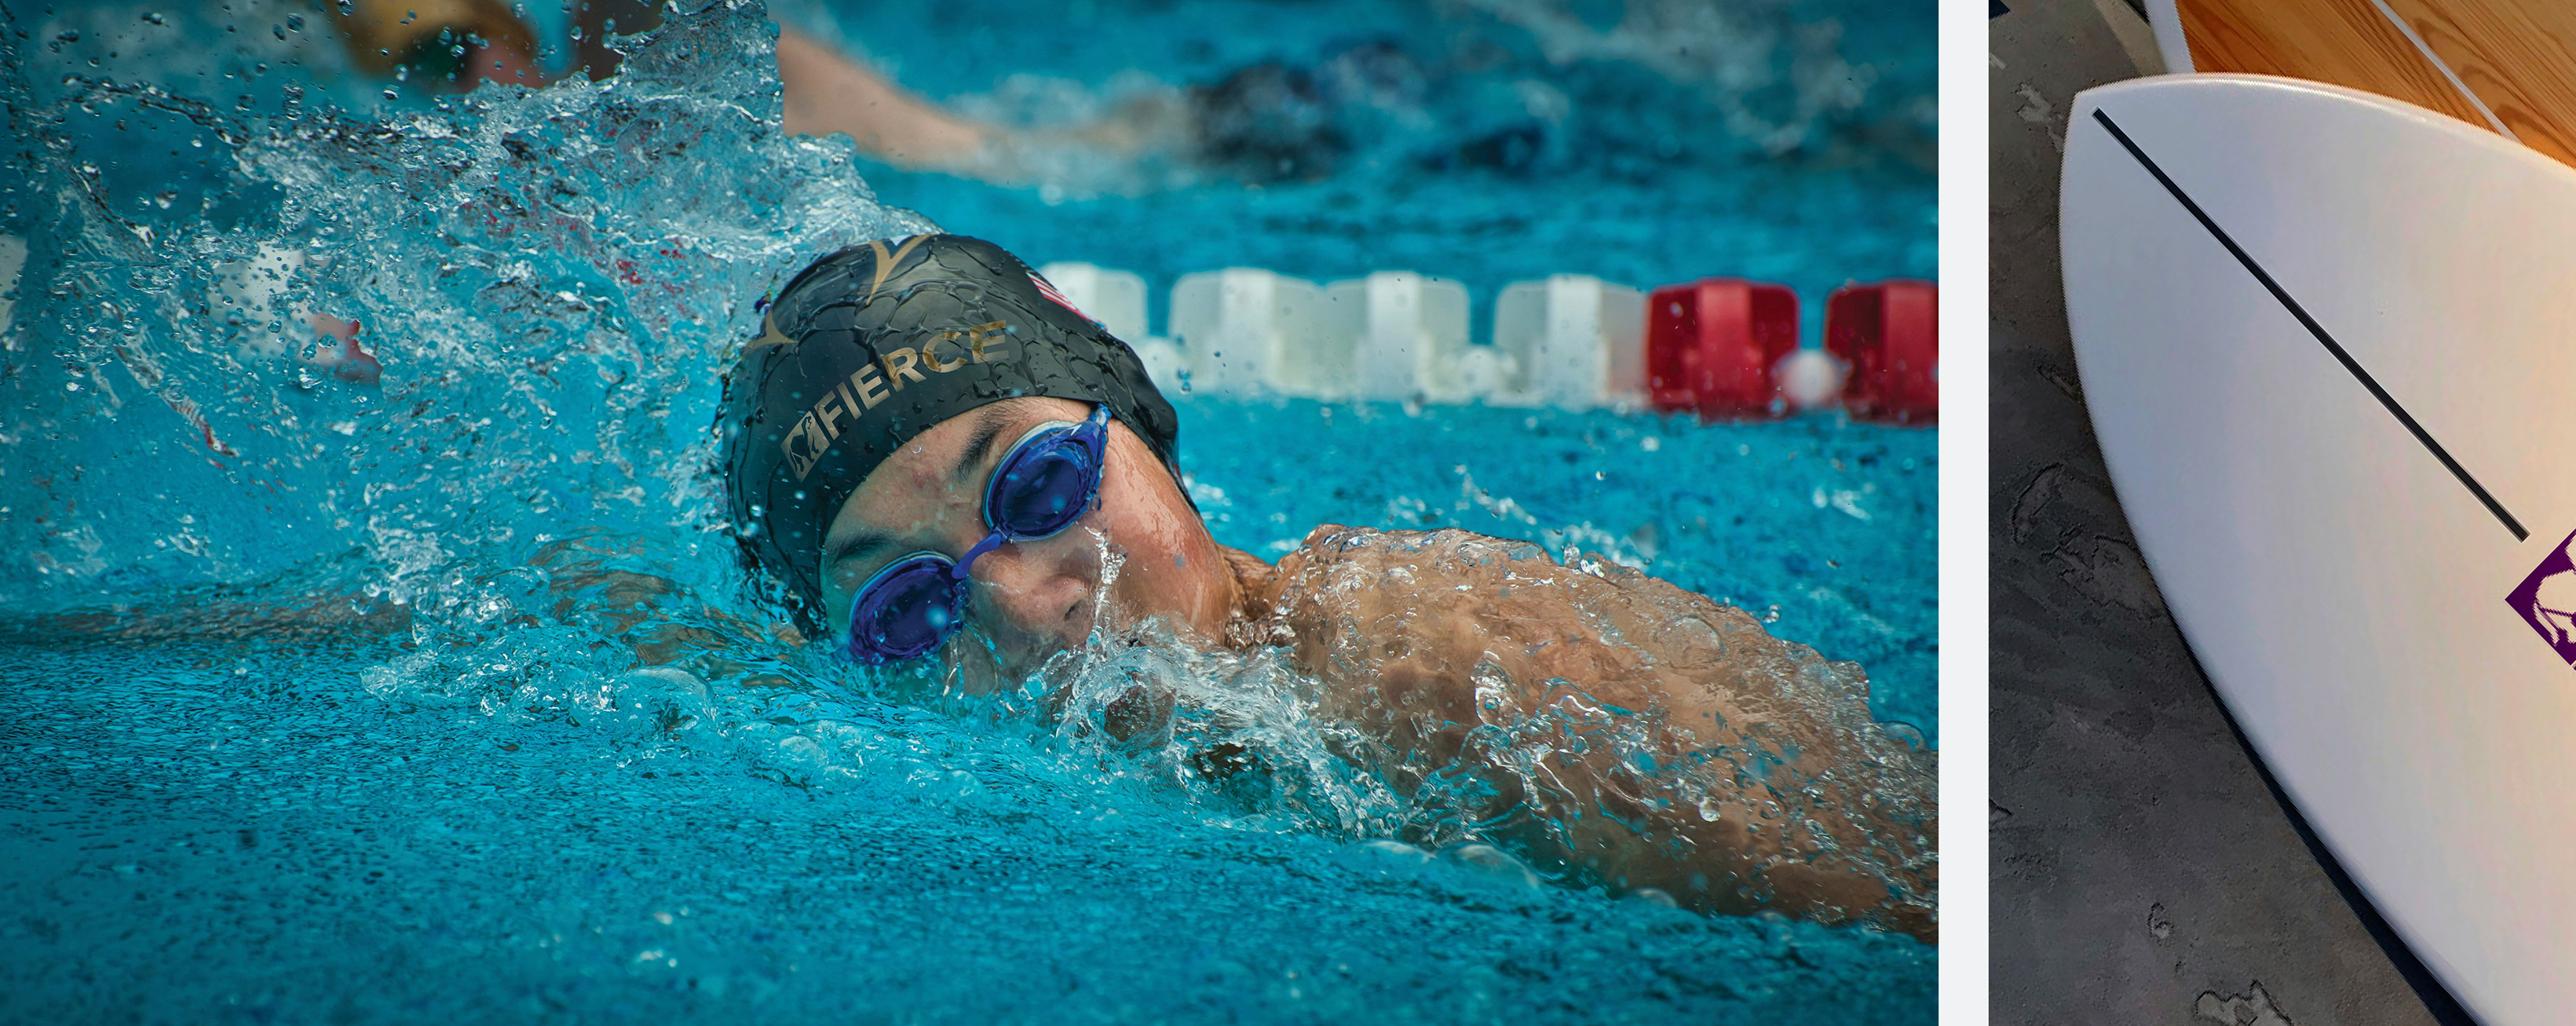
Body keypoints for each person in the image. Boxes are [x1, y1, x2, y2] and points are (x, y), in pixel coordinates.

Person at [715, 233, 1936, 939]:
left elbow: (1918, 912)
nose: (1031, 606)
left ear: (1142, 428)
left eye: (1039, 484)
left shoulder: (1446, 677)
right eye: (908, 608)